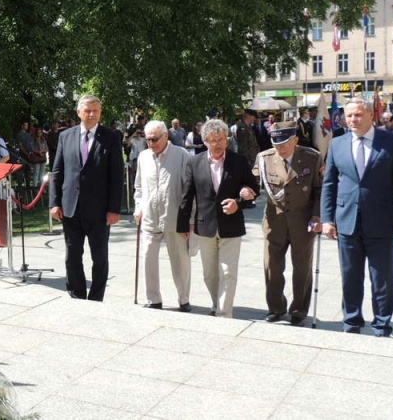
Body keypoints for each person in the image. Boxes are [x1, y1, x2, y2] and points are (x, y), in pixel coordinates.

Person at [321, 98, 393, 336]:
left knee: (382, 278)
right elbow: (329, 183)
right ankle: (351, 321)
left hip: (382, 221)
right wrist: (327, 219)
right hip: (347, 221)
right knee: (350, 275)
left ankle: (382, 324)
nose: (353, 120)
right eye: (349, 115)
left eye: (358, 115)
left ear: (371, 115)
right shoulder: (337, 143)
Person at [177, 119, 258, 318]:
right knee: (210, 274)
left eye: (220, 139)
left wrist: (240, 200)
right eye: (212, 140)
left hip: (232, 225)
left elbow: (253, 188)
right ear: (205, 142)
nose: (217, 144)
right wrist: (182, 225)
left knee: (228, 272)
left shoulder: (238, 161)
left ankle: (223, 313)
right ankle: (216, 303)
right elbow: (187, 195)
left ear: (226, 139)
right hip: (205, 226)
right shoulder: (194, 162)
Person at [49, 95, 124, 301]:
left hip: (100, 211)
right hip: (71, 208)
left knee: (99, 257)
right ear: (79, 112)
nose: (91, 114)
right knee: (72, 257)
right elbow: (57, 171)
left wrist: (114, 209)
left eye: (96, 111)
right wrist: (54, 202)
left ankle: (96, 297)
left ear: (100, 113)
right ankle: (77, 295)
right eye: (87, 110)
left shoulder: (111, 138)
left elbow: (117, 176)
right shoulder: (65, 136)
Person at [253, 121, 322, 326]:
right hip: (275, 222)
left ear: (296, 140)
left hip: (303, 222)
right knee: (272, 267)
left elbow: (319, 189)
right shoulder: (264, 158)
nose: (280, 148)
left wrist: (317, 216)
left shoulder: (311, 157)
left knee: (302, 269)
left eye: (285, 143)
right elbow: (252, 182)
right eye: (276, 143)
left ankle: (299, 310)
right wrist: (245, 192)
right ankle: (275, 308)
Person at [133, 120, 192, 312]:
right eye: (148, 139)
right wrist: (138, 207)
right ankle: (153, 299)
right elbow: (139, 187)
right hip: (149, 216)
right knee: (148, 258)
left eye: (155, 139)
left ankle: (183, 299)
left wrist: (188, 220)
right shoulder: (143, 157)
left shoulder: (181, 155)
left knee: (180, 261)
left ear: (166, 136)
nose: (151, 143)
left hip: (174, 216)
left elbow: (189, 189)